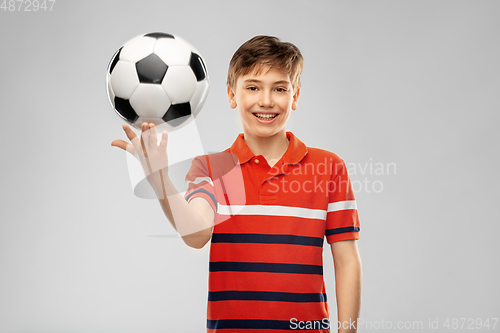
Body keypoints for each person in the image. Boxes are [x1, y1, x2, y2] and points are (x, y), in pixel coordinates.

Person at [111, 35, 361, 333]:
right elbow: (197, 234)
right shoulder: (212, 167)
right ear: (232, 95)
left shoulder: (328, 167)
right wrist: (159, 179)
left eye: (279, 89)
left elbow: (346, 261)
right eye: (253, 87)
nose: (266, 100)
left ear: (295, 96)